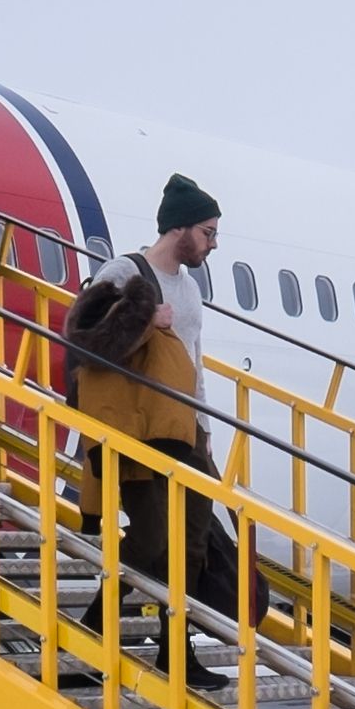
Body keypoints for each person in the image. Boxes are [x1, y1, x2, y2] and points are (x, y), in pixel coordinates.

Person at [69, 176, 234, 671]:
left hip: (182, 430)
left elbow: (195, 366)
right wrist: (145, 319)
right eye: (208, 232)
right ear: (179, 229)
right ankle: (93, 631)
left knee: (192, 543)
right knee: (152, 539)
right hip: (135, 429)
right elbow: (85, 339)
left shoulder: (190, 292)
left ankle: (176, 653)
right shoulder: (124, 271)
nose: (213, 243)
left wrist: (205, 432)